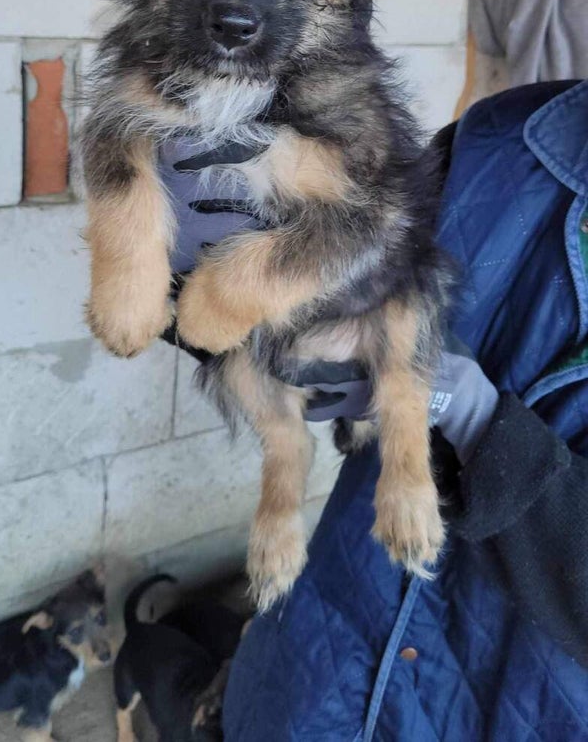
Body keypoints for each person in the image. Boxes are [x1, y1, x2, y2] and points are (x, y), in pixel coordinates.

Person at [220, 79, 588, 740]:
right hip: (334, 630)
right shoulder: (507, 136)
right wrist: (258, 294)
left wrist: (472, 418)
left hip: (511, 702)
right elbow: (363, 257)